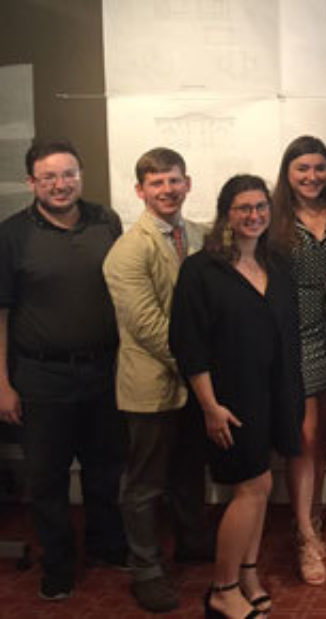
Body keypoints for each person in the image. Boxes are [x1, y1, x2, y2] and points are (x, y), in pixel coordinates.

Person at [170, 174, 303, 618]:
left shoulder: (276, 263)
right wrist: (210, 406)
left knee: (262, 484)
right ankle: (222, 590)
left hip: (272, 395)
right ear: (227, 213)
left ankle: (247, 573)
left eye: (261, 207)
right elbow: (188, 345)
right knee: (250, 487)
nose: (254, 216)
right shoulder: (200, 270)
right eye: (244, 208)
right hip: (227, 400)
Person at [0, 139, 127, 601]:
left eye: (68, 174)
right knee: (48, 478)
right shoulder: (11, 234)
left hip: (103, 371)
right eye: (49, 176)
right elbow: (2, 315)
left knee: (105, 469)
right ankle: (57, 565)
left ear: (80, 176)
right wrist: (2, 385)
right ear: (32, 182)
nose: (60, 184)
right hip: (40, 377)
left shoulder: (105, 221)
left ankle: (105, 546)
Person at [103, 147, 211, 612]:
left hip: (194, 385)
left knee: (189, 472)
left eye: (174, 180)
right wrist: (199, 368)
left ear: (187, 183)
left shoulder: (203, 236)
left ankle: (190, 542)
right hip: (152, 387)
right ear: (140, 191)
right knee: (145, 484)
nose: (167, 190)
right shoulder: (128, 251)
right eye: (156, 183)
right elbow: (147, 327)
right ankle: (145, 569)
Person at [268, 135, 326, 585]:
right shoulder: (274, 219)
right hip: (292, 336)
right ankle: (303, 534)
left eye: (319, 167)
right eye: (302, 169)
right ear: (288, 174)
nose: (311, 176)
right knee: (304, 434)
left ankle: (312, 516)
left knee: (321, 437)